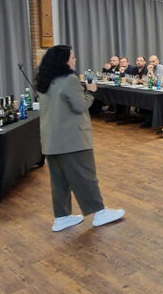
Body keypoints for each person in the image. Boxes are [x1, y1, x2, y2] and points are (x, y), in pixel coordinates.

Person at [34, 45, 124, 232]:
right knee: (86, 175)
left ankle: (62, 217)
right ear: (63, 61)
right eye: (72, 57)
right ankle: (99, 212)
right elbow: (80, 105)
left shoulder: (44, 81)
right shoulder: (70, 79)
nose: (75, 60)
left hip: (51, 139)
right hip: (72, 139)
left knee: (59, 181)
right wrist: (90, 91)